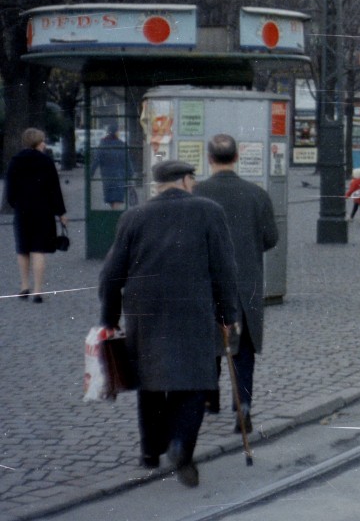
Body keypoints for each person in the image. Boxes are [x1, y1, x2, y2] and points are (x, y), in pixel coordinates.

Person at [98, 160, 240, 488]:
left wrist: (109, 318)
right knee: (194, 383)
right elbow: (224, 269)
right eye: (192, 178)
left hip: (144, 312)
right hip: (193, 309)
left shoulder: (133, 216)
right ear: (186, 180)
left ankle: (150, 452)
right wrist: (227, 316)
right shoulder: (209, 211)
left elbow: (110, 275)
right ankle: (180, 448)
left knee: (149, 380)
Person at [193, 135, 279, 435]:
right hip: (246, 283)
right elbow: (271, 239)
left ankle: (209, 399)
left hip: (208, 285)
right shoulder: (257, 194)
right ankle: (242, 407)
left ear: (209, 158)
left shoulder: (196, 193)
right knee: (243, 349)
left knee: (209, 345)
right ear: (237, 157)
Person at [5, 128, 68, 303]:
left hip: (22, 211)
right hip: (43, 212)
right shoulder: (46, 162)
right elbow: (55, 190)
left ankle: (24, 286)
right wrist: (61, 212)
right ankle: (37, 291)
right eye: (43, 140)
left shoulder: (15, 161)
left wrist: (17, 204)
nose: (45, 143)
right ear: (37, 142)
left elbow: (10, 192)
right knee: (38, 250)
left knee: (23, 249)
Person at [92, 123, 134, 209]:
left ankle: (113, 214)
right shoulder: (121, 144)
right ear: (116, 132)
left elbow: (96, 160)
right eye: (118, 131)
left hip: (107, 176)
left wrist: (91, 173)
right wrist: (130, 173)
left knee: (111, 199)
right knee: (117, 199)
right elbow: (127, 160)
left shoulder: (103, 144)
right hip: (119, 176)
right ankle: (115, 218)